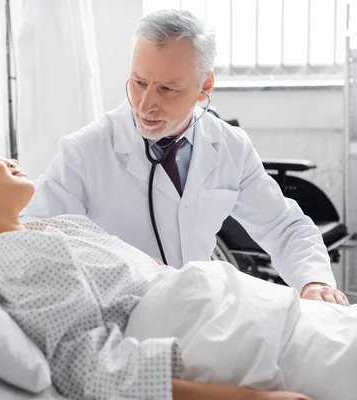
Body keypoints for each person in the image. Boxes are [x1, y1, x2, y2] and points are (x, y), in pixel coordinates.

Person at [0, 134, 356, 400]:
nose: (10, 159)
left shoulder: (54, 229)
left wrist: (313, 280)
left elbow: (282, 224)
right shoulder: (5, 253)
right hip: (224, 332)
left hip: (248, 311)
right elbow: (90, 367)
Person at [20, 9, 349, 306]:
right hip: (123, 315)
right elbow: (33, 236)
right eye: (138, 82)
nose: (145, 105)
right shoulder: (85, 151)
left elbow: (283, 226)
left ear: (205, 86)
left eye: (167, 89)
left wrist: (314, 281)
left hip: (199, 311)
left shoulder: (229, 146)